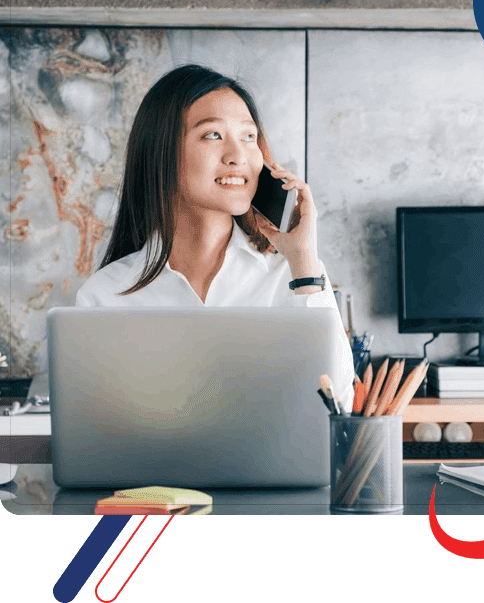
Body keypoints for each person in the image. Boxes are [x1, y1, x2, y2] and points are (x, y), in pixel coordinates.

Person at [75, 64, 353, 410]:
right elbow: (96, 431)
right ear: (161, 152)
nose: (238, 156)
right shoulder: (104, 297)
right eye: (213, 135)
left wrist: (304, 261)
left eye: (249, 137)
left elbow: (339, 403)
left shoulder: (293, 276)